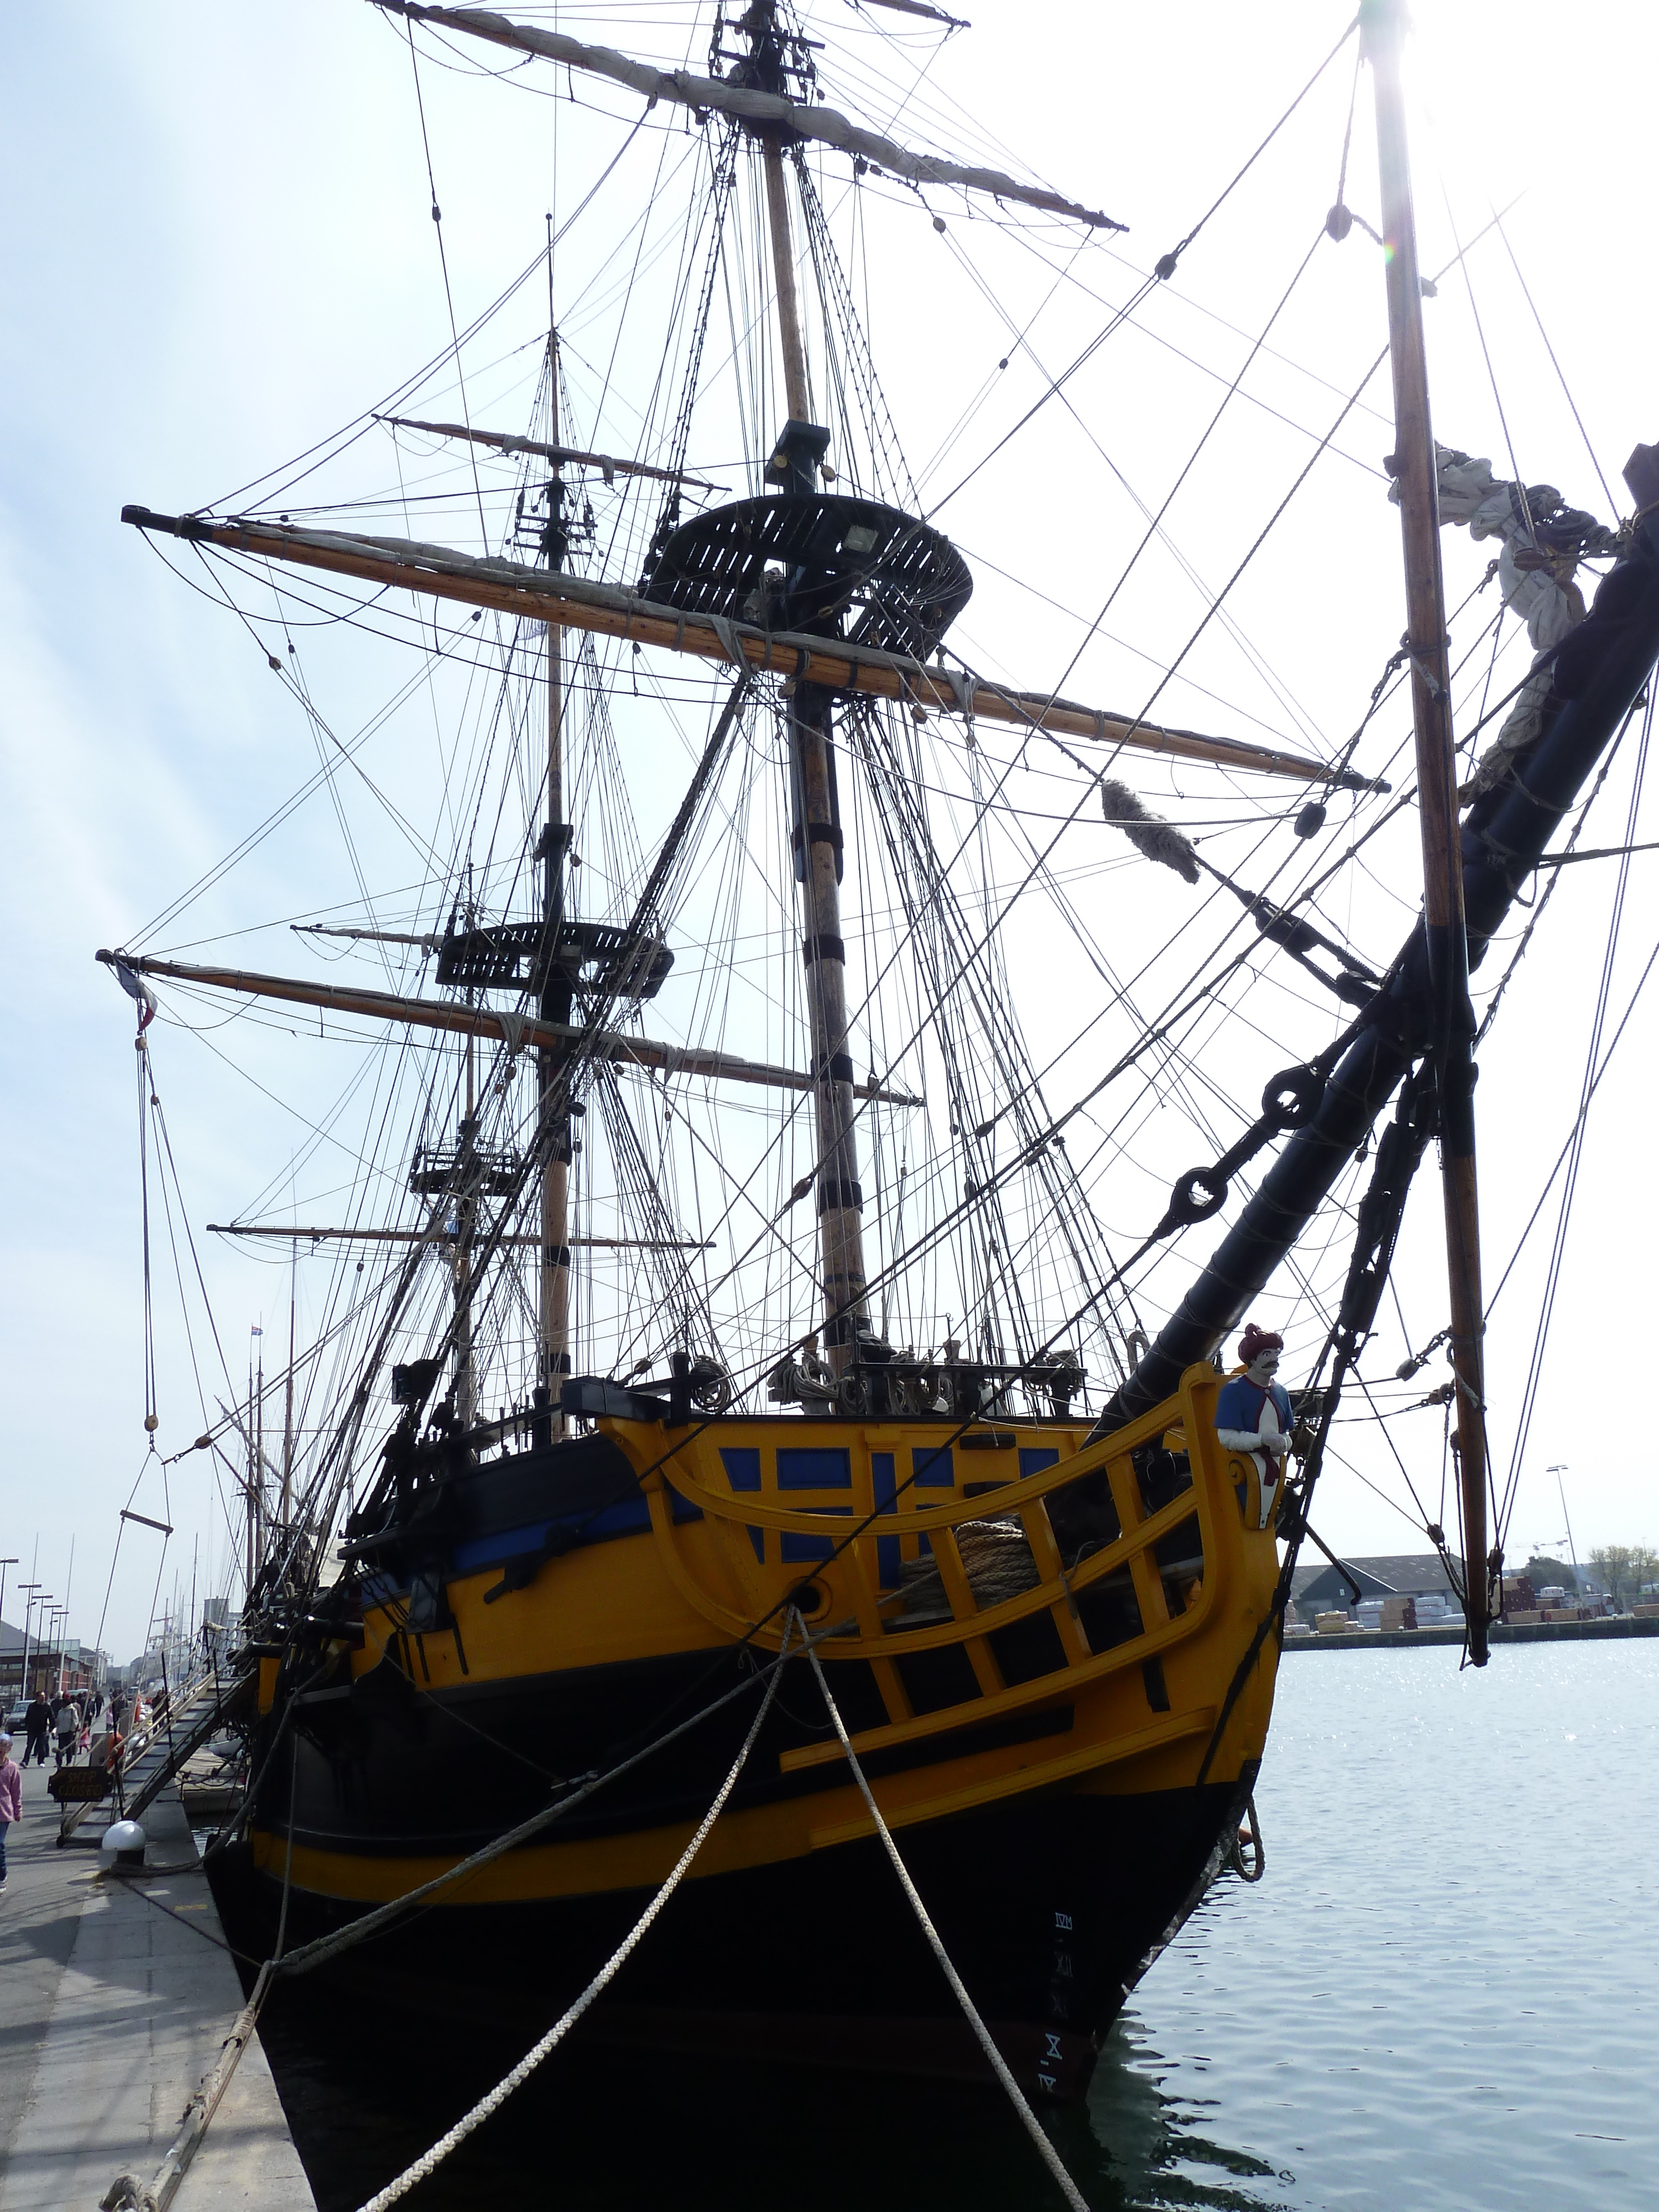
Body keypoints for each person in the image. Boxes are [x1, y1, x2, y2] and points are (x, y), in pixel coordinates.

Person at [1215, 1321, 1295, 1528]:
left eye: (1276, 1353)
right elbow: (1226, 1437)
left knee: (1267, 1518)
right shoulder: (1233, 1391)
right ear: (1253, 1358)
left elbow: (1287, 1434)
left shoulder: (1281, 1393)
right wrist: (1262, 1440)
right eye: (1267, 1354)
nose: (1274, 1359)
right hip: (1244, 1472)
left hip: (1275, 1471)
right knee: (1247, 1519)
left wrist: (1284, 1443)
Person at [0, 1733, 20, 1896]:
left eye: (4, 1746)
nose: (1, 1749)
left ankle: (2, 1877)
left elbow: (16, 1792)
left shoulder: (12, 1768)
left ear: (10, 1748)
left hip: (3, 1813)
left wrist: (18, 1809)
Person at [22, 1692, 51, 1768]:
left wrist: (52, 1728)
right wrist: (27, 1727)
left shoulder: (47, 1707)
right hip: (32, 1730)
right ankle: (25, 1761)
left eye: (44, 1696)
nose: (43, 1698)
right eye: (41, 1696)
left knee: (41, 1747)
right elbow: (27, 1717)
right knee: (29, 1746)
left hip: (42, 1730)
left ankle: (41, 1761)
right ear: (37, 1697)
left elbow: (51, 1718)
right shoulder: (32, 1706)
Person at [53, 1697, 81, 1770]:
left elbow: (75, 1721)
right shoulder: (61, 1711)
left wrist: (72, 1730)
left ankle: (69, 1762)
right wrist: (57, 1731)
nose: (61, 1704)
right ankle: (59, 1763)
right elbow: (58, 1722)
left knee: (69, 1748)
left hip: (69, 1732)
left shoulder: (72, 1710)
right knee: (60, 1748)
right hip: (61, 1732)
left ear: (66, 1703)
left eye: (63, 1703)